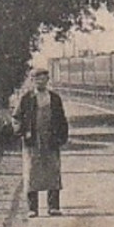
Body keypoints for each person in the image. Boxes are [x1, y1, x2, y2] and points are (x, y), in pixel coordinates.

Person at [13, 68, 69, 217]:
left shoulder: (54, 98)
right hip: (32, 141)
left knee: (53, 172)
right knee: (32, 173)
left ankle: (53, 207)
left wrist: (62, 137)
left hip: (51, 140)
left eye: (43, 79)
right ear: (32, 81)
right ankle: (33, 208)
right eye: (37, 79)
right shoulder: (26, 98)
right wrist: (22, 133)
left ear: (47, 80)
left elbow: (62, 119)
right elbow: (16, 118)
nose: (40, 82)